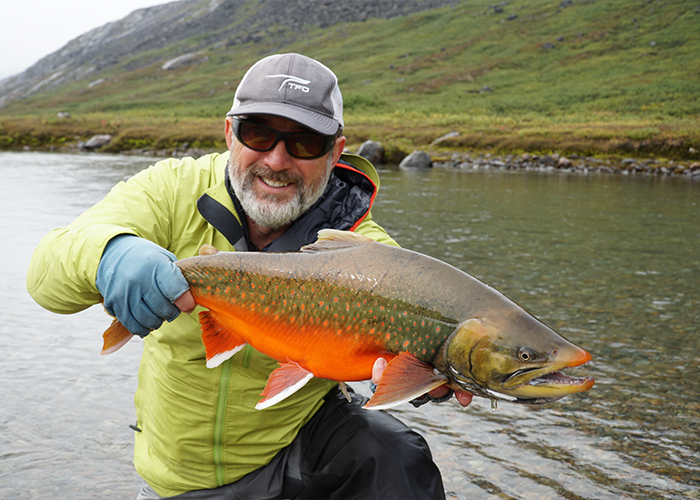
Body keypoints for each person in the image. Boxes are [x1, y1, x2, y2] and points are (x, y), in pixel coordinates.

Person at [27, 53, 471, 500]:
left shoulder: (366, 250)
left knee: (396, 455)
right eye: (258, 133)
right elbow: (46, 278)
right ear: (228, 132)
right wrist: (109, 254)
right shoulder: (171, 189)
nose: (277, 160)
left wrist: (425, 380)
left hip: (295, 455)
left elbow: (405, 359)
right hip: (177, 479)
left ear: (336, 153)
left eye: (305, 143)